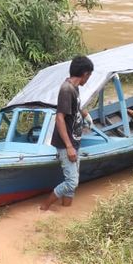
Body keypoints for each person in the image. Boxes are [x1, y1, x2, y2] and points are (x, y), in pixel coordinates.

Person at [39, 56, 94, 211]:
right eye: (89, 76)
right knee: (72, 181)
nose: (88, 79)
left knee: (72, 181)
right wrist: (69, 147)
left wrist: (85, 114)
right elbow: (59, 118)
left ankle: (66, 212)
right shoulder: (66, 90)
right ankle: (44, 207)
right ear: (84, 74)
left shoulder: (74, 87)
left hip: (74, 140)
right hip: (66, 143)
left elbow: (76, 105)